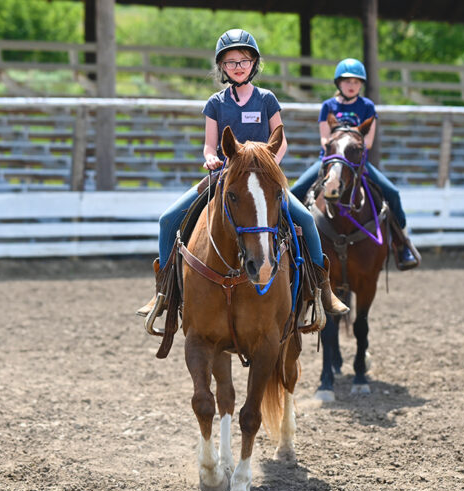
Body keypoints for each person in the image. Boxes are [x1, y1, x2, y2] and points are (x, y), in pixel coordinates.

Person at [137, 29, 348, 318]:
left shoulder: (267, 99)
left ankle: (323, 289)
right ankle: (163, 291)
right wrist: (210, 158)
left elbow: (280, 139)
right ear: (222, 67)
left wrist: (270, 166)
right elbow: (210, 146)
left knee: (307, 221)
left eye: (244, 60)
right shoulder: (215, 103)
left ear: (254, 64)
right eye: (231, 61)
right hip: (225, 176)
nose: (238, 66)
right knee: (167, 219)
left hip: (263, 179)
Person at [289, 58, 419, 270]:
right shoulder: (328, 106)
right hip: (329, 161)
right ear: (338, 83)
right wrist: (338, 144)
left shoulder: (367, 107)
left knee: (392, 193)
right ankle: (290, 242)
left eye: (357, 82)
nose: (352, 85)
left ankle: (401, 243)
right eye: (347, 81)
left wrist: (349, 142)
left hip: (357, 164)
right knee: (295, 191)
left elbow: (367, 142)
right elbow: (324, 138)